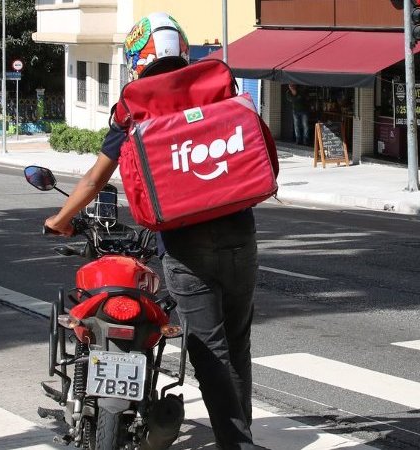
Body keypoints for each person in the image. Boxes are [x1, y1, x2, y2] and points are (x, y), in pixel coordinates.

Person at [43, 12, 268, 450]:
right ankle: (241, 437)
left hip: (187, 245)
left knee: (210, 352)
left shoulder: (136, 106)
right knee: (237, 345)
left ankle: (236, 446)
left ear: (137, 60)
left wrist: (60, 219)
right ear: (183, 50)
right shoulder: (217, 87)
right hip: (241, 234)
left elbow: (93, 180)